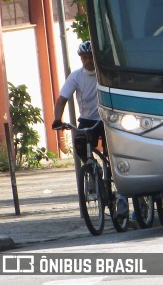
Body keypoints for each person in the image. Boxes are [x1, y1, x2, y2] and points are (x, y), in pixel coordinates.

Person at [51, 41, 129, 217]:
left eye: (90, 57)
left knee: (113, 155)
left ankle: (122, 197)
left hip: (106, 118)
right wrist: (57, 119)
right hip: (87, 120)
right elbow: (62, 99)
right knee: (79, 143)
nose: (87, 61)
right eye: (84, 58)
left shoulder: (104, 74)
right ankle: (92, 169)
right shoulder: (76, 76)